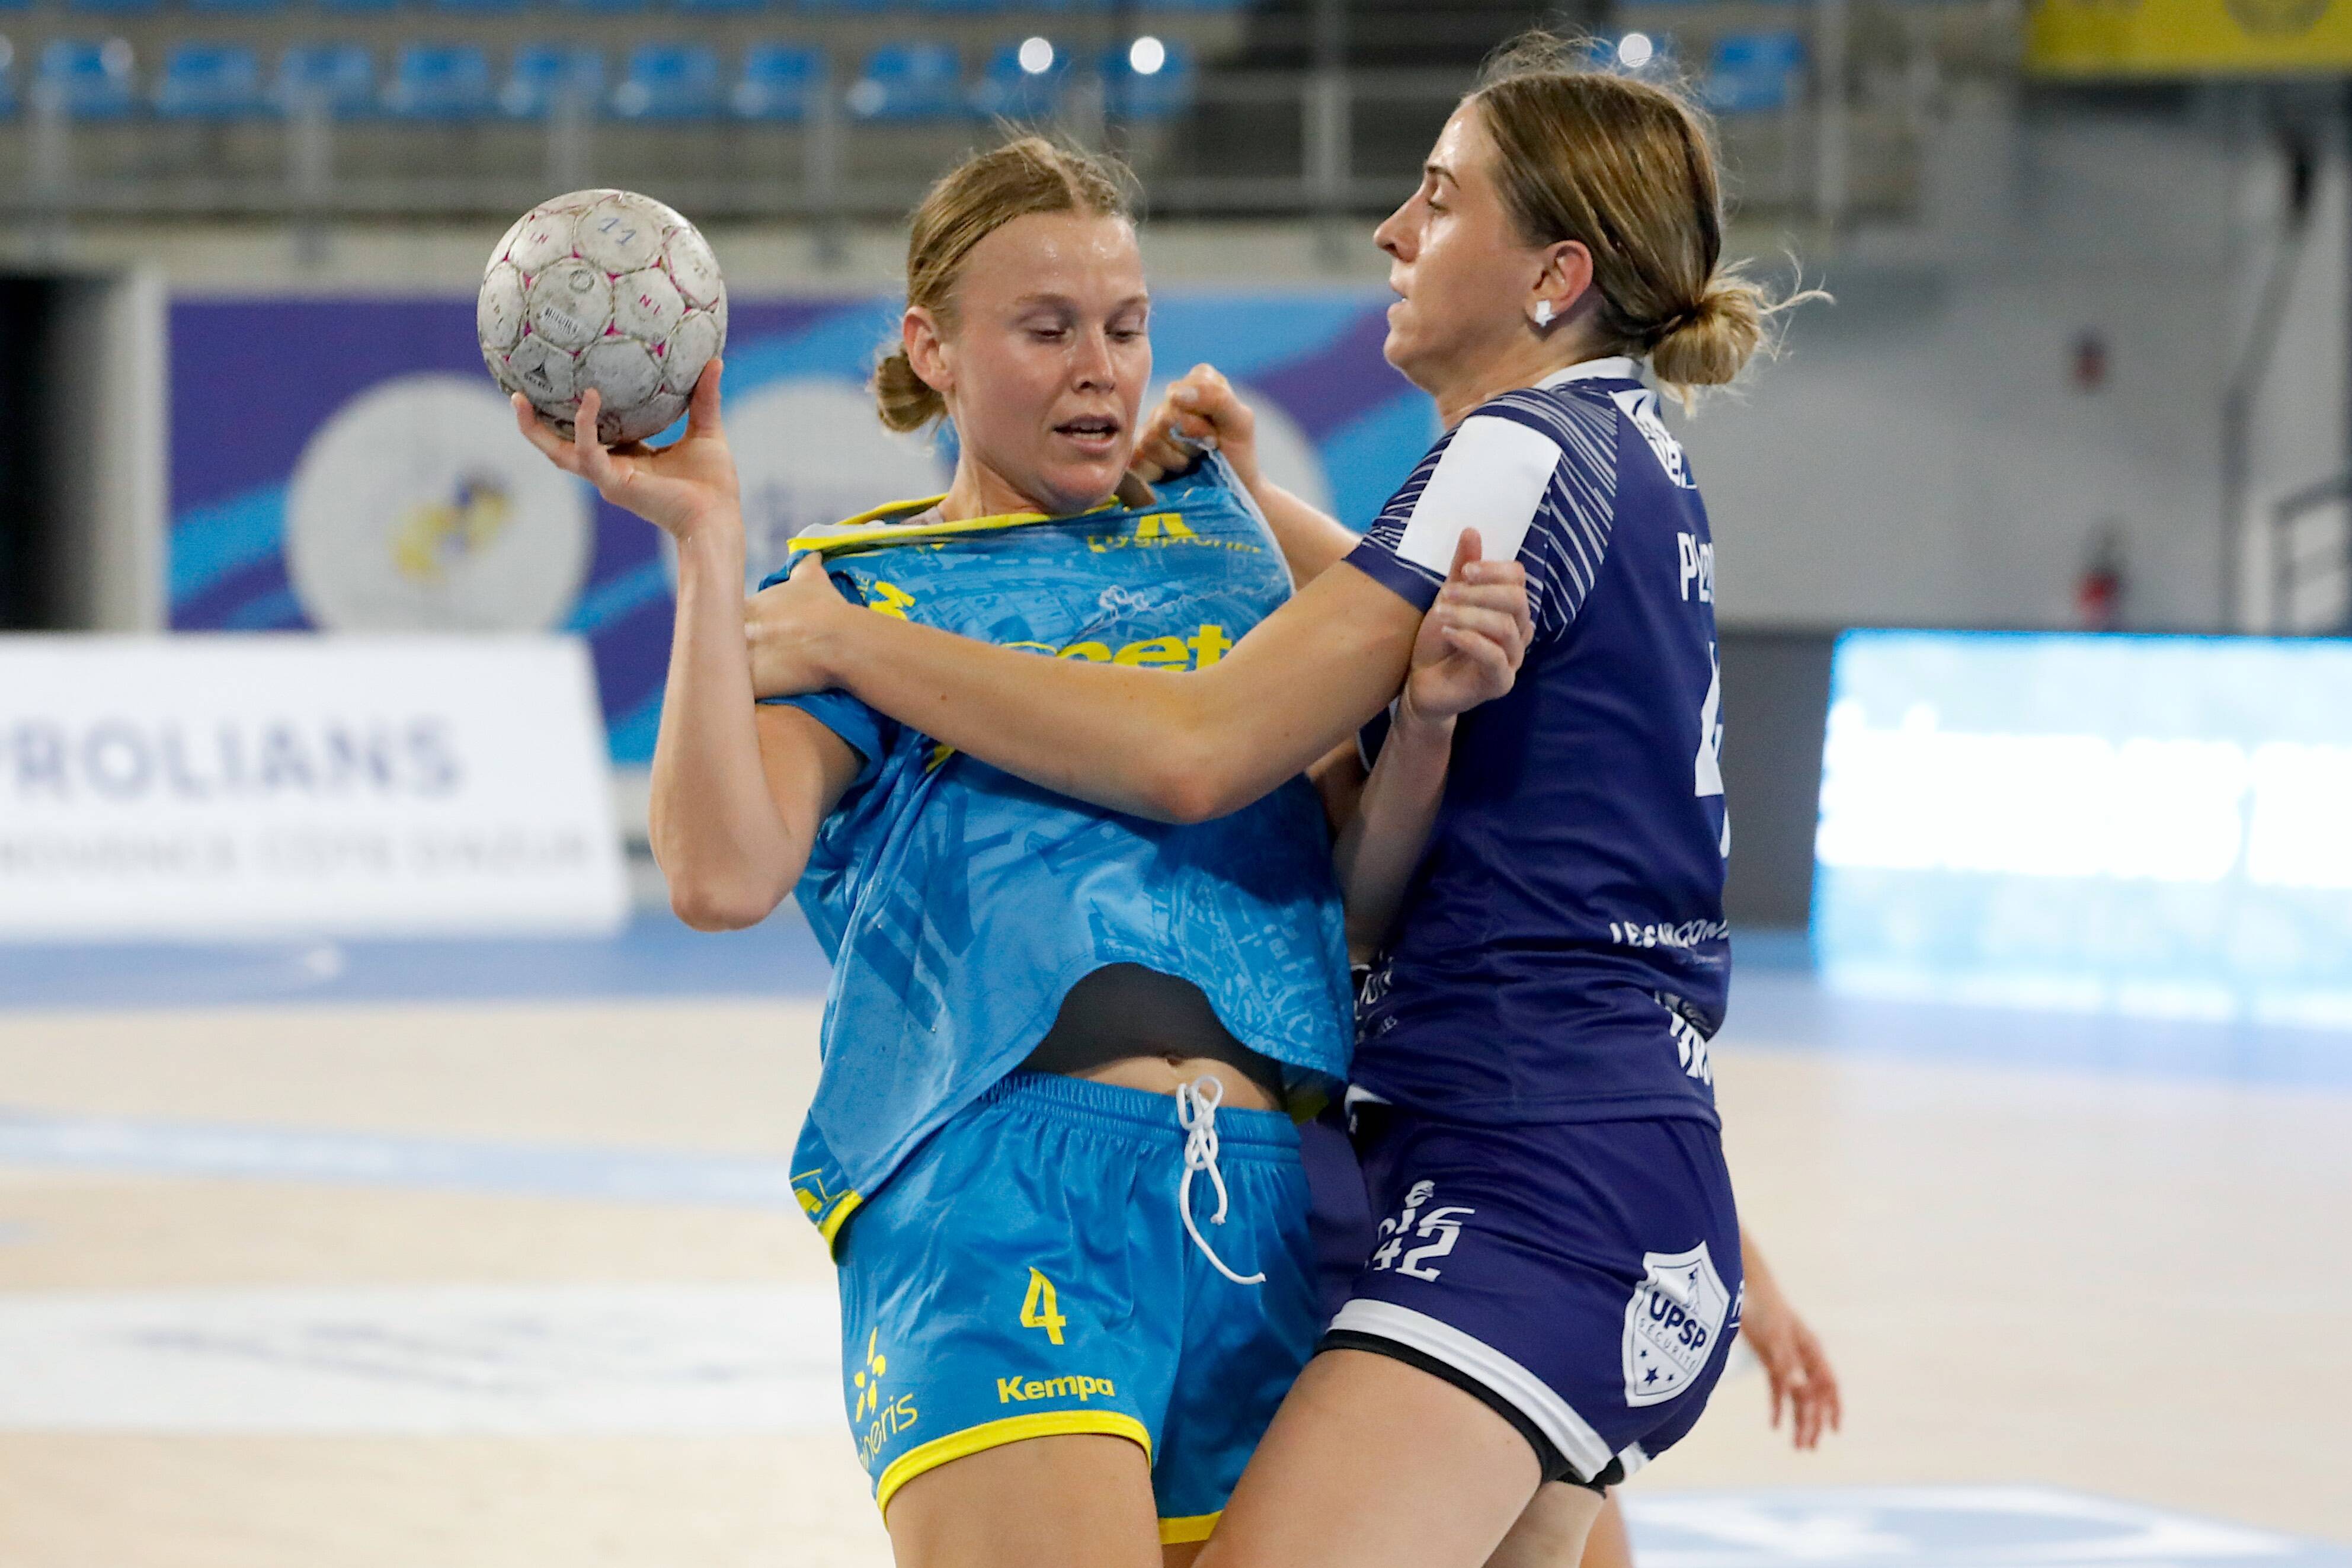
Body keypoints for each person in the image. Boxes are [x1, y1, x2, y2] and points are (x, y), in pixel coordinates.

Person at [744, 33, 1820, 1568]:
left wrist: (850, 635)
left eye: (1438, 198)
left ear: (1553, 274)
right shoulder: (1617, 450)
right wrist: (1254, 502)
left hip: (1525, 1176)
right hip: (1556, 1162)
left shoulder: (1515, 448)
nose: (1390, 229)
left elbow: (1199, 745)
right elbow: (1400, 659)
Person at [510, 135, 1531, 1568]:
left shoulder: (1228, 558)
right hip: (995, 1198)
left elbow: (1357, 895)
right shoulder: (852, 592)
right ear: (931, 348)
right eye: (1045, 331)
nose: (1097, 370)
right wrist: (704, 541)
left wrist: (1419, 729)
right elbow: (720, 875)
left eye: (1123, 327)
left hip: (1269, 1202)